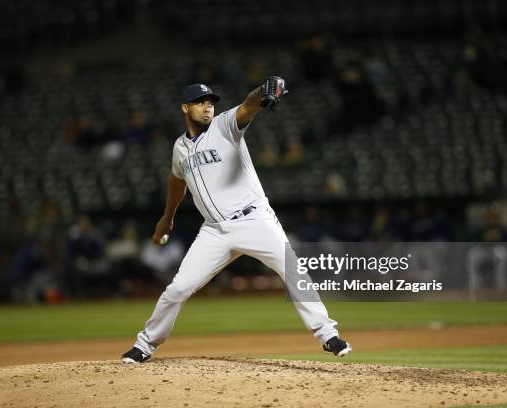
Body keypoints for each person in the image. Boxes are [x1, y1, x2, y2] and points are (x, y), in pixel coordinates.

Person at [121, 80, 351, 363]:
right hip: (214, 231)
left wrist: (266, 89)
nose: (207, 107)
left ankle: (327, 334)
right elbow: (176, 181)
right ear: (185, 107)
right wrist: (167, 218)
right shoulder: (180, 147)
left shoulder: (223, 125)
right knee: (178, 289)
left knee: (291, 267)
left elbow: (248, 106)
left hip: (253, 218)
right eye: (200, 102)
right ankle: (144, 345)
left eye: (210, 102)